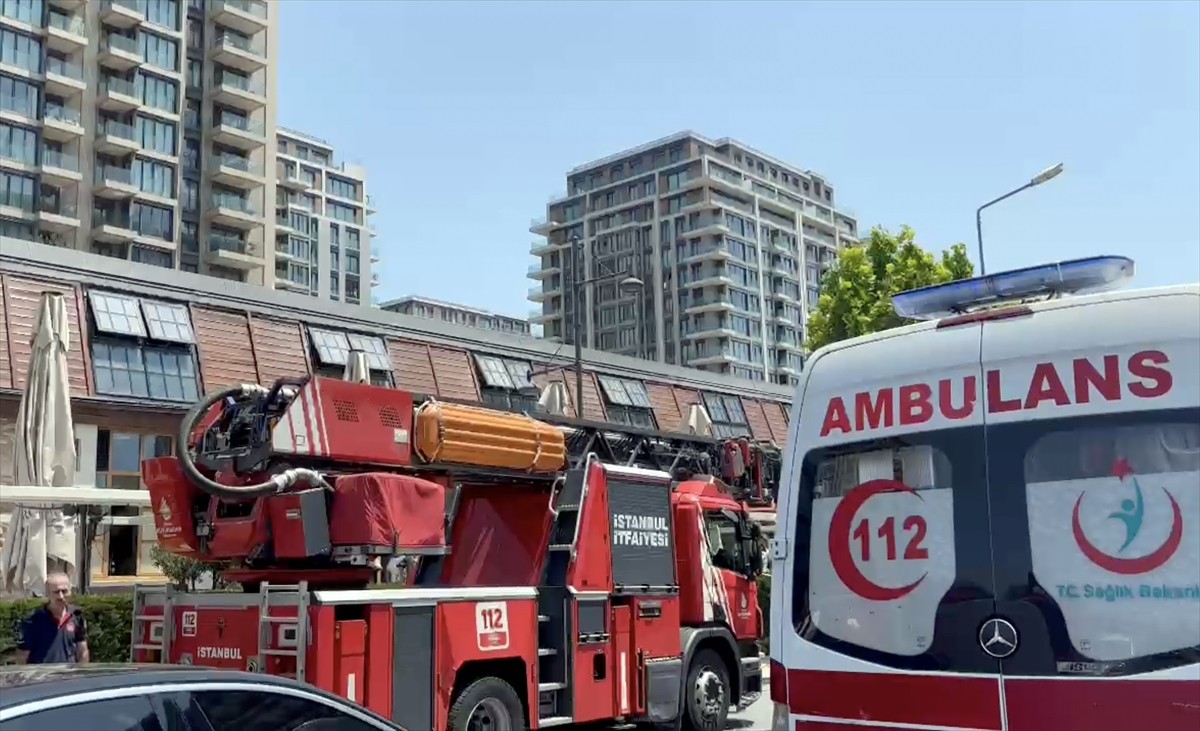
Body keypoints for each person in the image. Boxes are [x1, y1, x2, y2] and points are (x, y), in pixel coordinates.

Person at [16, 572, 90, 664]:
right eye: (56, 592)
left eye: (64, 591)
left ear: (70, 591)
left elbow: (82, 651)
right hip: (42, 676)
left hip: (69, 676)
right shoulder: (33, 620)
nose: (61, 596)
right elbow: (22, 656)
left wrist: (81, 674)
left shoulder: (77, 616)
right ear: (47, 594)